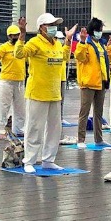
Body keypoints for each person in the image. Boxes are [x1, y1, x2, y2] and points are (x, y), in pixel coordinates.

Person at [15, 14, 76, 173]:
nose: (54, 27)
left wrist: (68, 41)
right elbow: (19, 54)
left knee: (54, 129)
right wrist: (22, 34)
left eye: (55, 24)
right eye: (50, 24)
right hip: (37, 93)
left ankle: (48, 159)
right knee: (34, 128)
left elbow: (64, 57)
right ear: (41, 27)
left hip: (54, 93)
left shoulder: (56, 44)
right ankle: (29, 160)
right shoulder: (35, 42)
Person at [74, 18, 111, 148]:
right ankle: (81, 140)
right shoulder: (86, 44)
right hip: (88, 83)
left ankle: (99, 139)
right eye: (99, 30)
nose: (101, 32)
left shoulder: (101, 45)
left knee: (98, 113)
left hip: (101, 82)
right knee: (84, 112)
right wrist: (82, 41)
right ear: (93, 31)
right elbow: (79, 56)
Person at [0, 24, 26, 138]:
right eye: (14, 35)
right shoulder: (4, 48)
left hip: (20, 81)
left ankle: (19, 129)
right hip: (6, 81)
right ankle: (0, 130)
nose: (16, 37)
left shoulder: (22, 47)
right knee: (3, 107)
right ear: (9, 36)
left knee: (20, 108)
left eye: (18, 35)